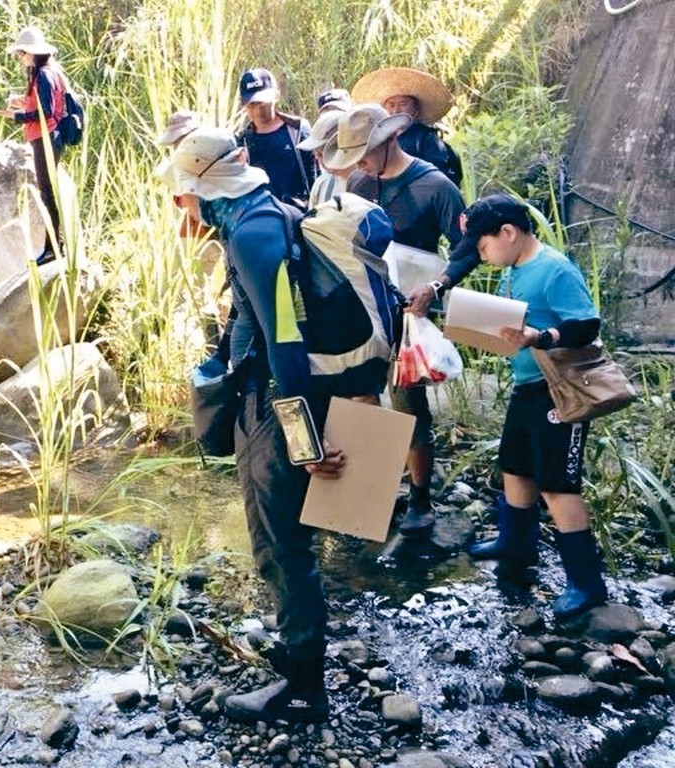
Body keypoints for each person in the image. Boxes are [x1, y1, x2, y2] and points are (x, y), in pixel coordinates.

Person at [162, 127, 343, 723]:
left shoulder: (255, 235)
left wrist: (303, 440)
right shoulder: (254, 217)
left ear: (206, 189)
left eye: (181, 193)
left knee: (281, 546)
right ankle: (300, 661)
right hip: (268, 394)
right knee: (284, 541)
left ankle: (304, 692)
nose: (177, 206)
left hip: (280, 402)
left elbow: (286, 341)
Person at [327, 104, 475, 536]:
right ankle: (365, 492)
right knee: (359, 397)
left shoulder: (434, 186)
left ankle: (421, 499)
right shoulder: (358, 181)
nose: (360, 161)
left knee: (409, 405)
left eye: (366, 151)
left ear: (391, 140)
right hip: (363, 310)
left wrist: (437, 287)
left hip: (411, 311)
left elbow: (467, 247)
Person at [461, 194, 609, 620]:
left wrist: (540, 338)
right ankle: (516, 544)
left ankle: (585, 582)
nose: (481, 254)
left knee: (557, 483)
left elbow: (586, 324)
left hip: (559, 389)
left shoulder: (554, 269)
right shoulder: (515, 269)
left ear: (508, 233)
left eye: (483, 245)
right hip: (527, 386)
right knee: (515, 465)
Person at [3, 26, 70, 265]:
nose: (19, 58)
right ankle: (55, 246)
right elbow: (43, 103)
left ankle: (54, 248)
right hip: (47, 137)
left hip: (45, 138)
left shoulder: (43, 74)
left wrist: (15, 116)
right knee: (49, 194)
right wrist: (22, 102)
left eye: (20, 53)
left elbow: (46, 112)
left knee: (48, 195)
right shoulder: (48, 71)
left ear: (31, 52)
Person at [350, 67, 464, 189]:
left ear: (415, 110)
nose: (396, 110)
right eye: (391, 105)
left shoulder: (426, 138)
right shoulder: (379, 139)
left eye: (403, 104)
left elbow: (439, 179)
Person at [233, 68, 315, 208]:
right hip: (264, 218)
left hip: (302, 215)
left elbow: (314, 175)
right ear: (244, 104)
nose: (258, 109)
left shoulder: (297, 130)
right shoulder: (243, 142)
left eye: (262, 103)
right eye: (252, 104)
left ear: (275, 96)